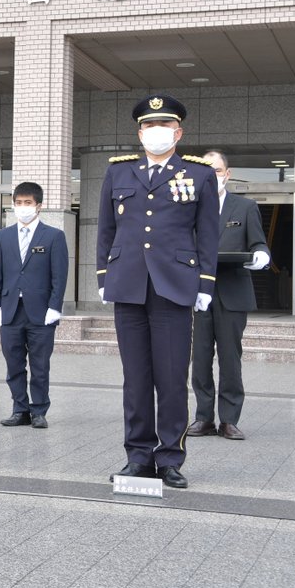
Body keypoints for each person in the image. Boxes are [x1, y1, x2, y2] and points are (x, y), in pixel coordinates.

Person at [97, 94, 219, 489]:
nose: (156, 131)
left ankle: (169, 458)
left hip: (174, 286)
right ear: (139, 133)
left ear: (178, 133)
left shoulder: (198, 174)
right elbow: (106, 230)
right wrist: (104, 277)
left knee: (170, 378)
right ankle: (137, 456)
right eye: (149, 126)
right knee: (135, 380)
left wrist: (205, 283)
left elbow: (208, 235)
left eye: (164, 125)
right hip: (128, 284)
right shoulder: (118, 172)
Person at [188, 151, 270, 441]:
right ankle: (203, 417)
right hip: (198, 294)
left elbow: (258, 242)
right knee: (199, 359)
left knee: (230, 359)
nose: (213, 176)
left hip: (232, 293)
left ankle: (229, 420)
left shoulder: (245, 207)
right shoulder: (188, 208)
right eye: (207, 170)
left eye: (218, 170)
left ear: (227, 173)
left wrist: (261, 255)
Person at [0, 182, 69, 429]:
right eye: (18, 203)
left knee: (39, 365)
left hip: (41, 313)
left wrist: (55, 307)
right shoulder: (2, 237)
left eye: (28, 203)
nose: (23, 207)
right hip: (10, 311)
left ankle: (39, 411)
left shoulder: (54, 236)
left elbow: (59, 276)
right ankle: (19, 409)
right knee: (14, 364)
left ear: (38, 206)